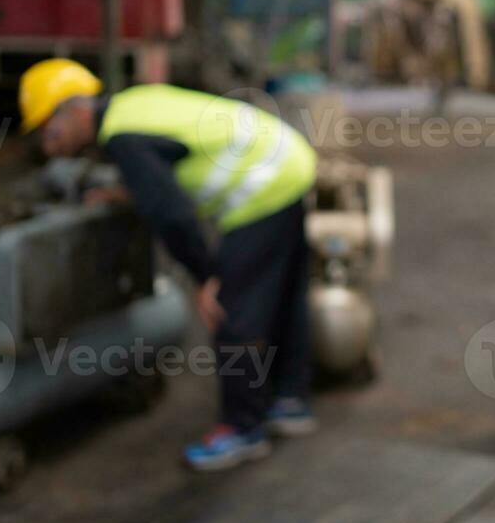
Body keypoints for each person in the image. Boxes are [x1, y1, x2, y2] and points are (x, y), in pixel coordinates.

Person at [17, 61, 319, 472]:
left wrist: (207, 276)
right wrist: (129, 192)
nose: (48, 144)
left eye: (47, 130)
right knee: (284, 290)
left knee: (232, 311)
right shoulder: (133, 104)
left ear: (74, 112)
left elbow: (172, 213)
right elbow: (175, 155)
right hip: (288, 158)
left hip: (262, 185)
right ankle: (291, 400)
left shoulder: (122, 137)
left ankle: (243, 428)